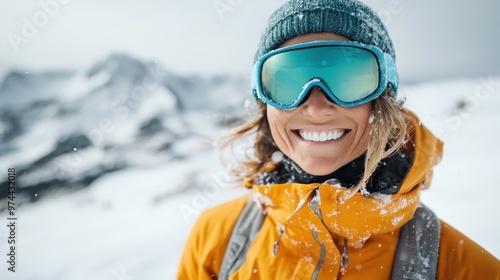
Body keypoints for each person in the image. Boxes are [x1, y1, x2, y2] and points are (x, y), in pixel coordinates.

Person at [177, 0, 500, 279]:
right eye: (287, 79)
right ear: (264, 103)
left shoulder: (465, 269)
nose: (317, 108)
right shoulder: (215, 240)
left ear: (383, 100)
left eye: (348, 78)